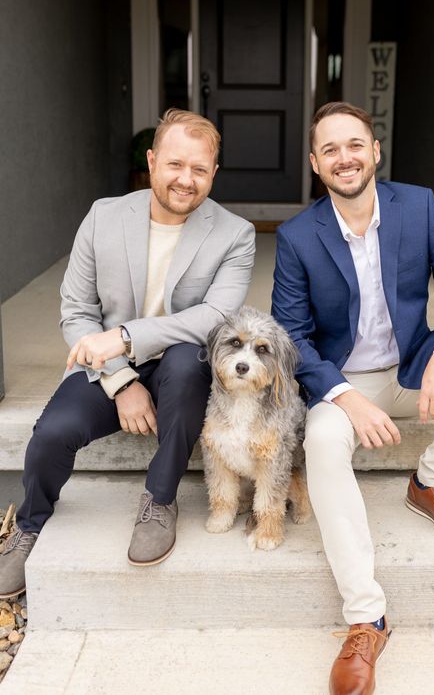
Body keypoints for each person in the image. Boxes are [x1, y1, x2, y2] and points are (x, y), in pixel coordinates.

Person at [271, 102, 434, 695]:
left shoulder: (419, 206)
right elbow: (291, 336)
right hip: (343, 382)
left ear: (375, 150)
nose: (345, 158)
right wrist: (345, 398)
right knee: (325, 439)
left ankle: (432, 480)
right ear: (315, 163)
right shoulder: (298, 236)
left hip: (413, 368)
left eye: (354, 145)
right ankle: (366, 616)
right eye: (330, 149)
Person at [0, 108, 255, 597]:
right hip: (107, 368)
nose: (186, 180)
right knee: (52, 433)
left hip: (180, 364)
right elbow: (76, 311)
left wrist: (123, 337)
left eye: (199, 170)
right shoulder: (105, 216)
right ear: (153, 160)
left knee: (186, 363)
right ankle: (29, 526)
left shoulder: (234, 234)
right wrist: (122, 380)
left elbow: (215, 317)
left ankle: (160, 500)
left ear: (213, 174)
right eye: (175, 165)